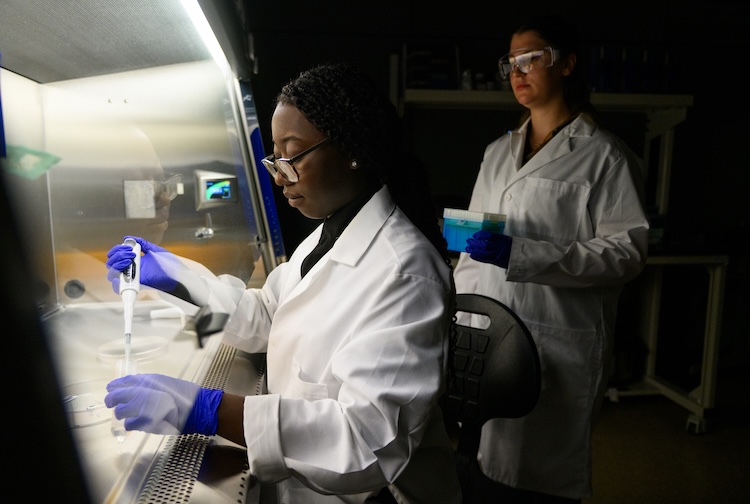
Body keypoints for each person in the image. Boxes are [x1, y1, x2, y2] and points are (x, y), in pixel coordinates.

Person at [104, 63, 462, 504]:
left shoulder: (405, 273)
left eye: (292, 156)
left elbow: (365, 441)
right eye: (274, 157)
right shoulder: (330, 232)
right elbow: (269, 315)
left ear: (351, 150)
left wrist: (210, 411)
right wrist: (175, 275)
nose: (278, 176)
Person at [452, 15, 650, 503]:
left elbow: (626, 253)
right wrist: (454, 315)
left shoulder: (604, 156)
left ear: (567, 64)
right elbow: (475, 253)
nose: (517, 72)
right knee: (479, 472)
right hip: (488, 337)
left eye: (531, 58)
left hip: (557, 341)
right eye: (510, 62)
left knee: (540, 481)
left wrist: (524, 254)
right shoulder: (497, 152)